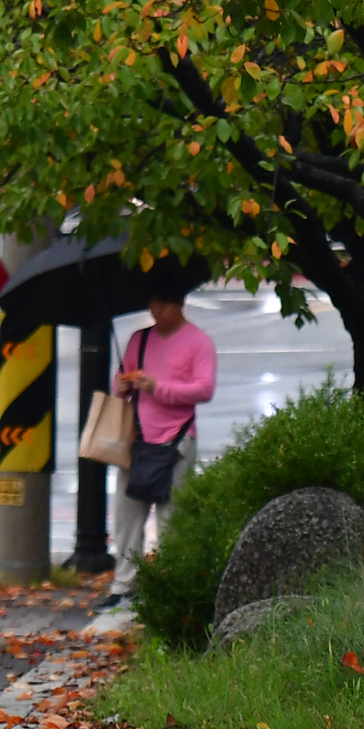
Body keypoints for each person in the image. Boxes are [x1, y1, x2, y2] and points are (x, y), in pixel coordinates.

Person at [99, 261, 216, 611]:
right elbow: (120, 380)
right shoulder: (140, 339)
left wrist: (158, 387)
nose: (156, 311)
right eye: (152, 304)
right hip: (138, 440)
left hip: (177, 440)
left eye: (163, 305)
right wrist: (122, 385)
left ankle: (168, 584)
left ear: (179, 303)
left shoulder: (198, 342)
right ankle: (124, 583)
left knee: (171, 517)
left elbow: (204, 389)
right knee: (127, 515)